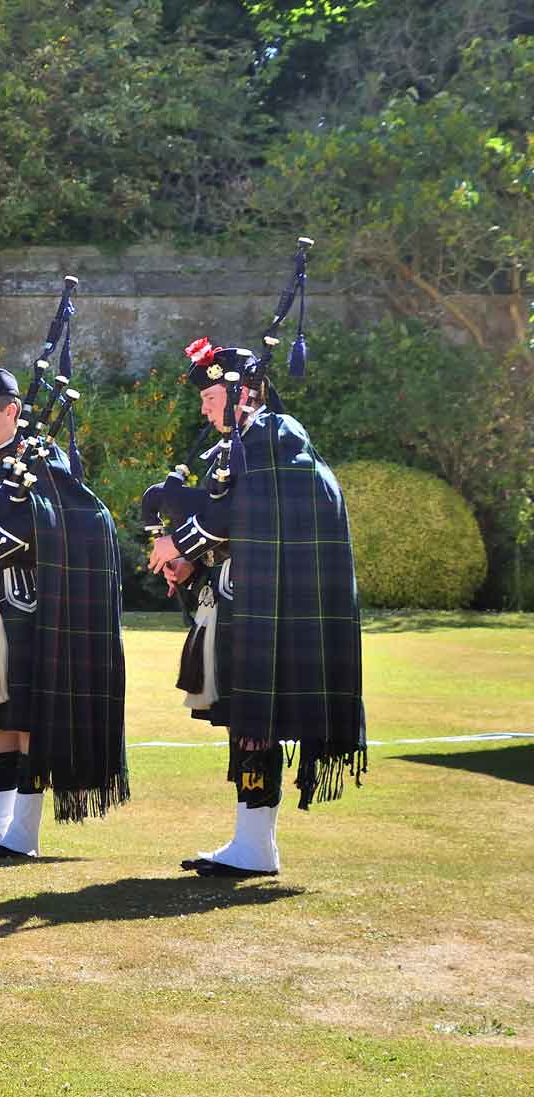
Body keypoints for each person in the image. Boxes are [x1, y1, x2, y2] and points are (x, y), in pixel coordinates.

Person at [146, 338, 365, 877]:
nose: (203, 405)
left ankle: (255, 846)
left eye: (210, 394)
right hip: (244, 598)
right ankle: (252, 842)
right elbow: (237, 526)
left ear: (244, 390)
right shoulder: (250, 441)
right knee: (247, 718)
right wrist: (194, 562)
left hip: (269, 605)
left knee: (256, 718)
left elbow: (240, 514)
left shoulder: (273, 436)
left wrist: (179, 542)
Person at [0, 352, 128, 858]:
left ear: (12, 410)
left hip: (27, 604)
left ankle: (25, 834)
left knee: (29, 717)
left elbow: (53, 528)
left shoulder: (44, 460)